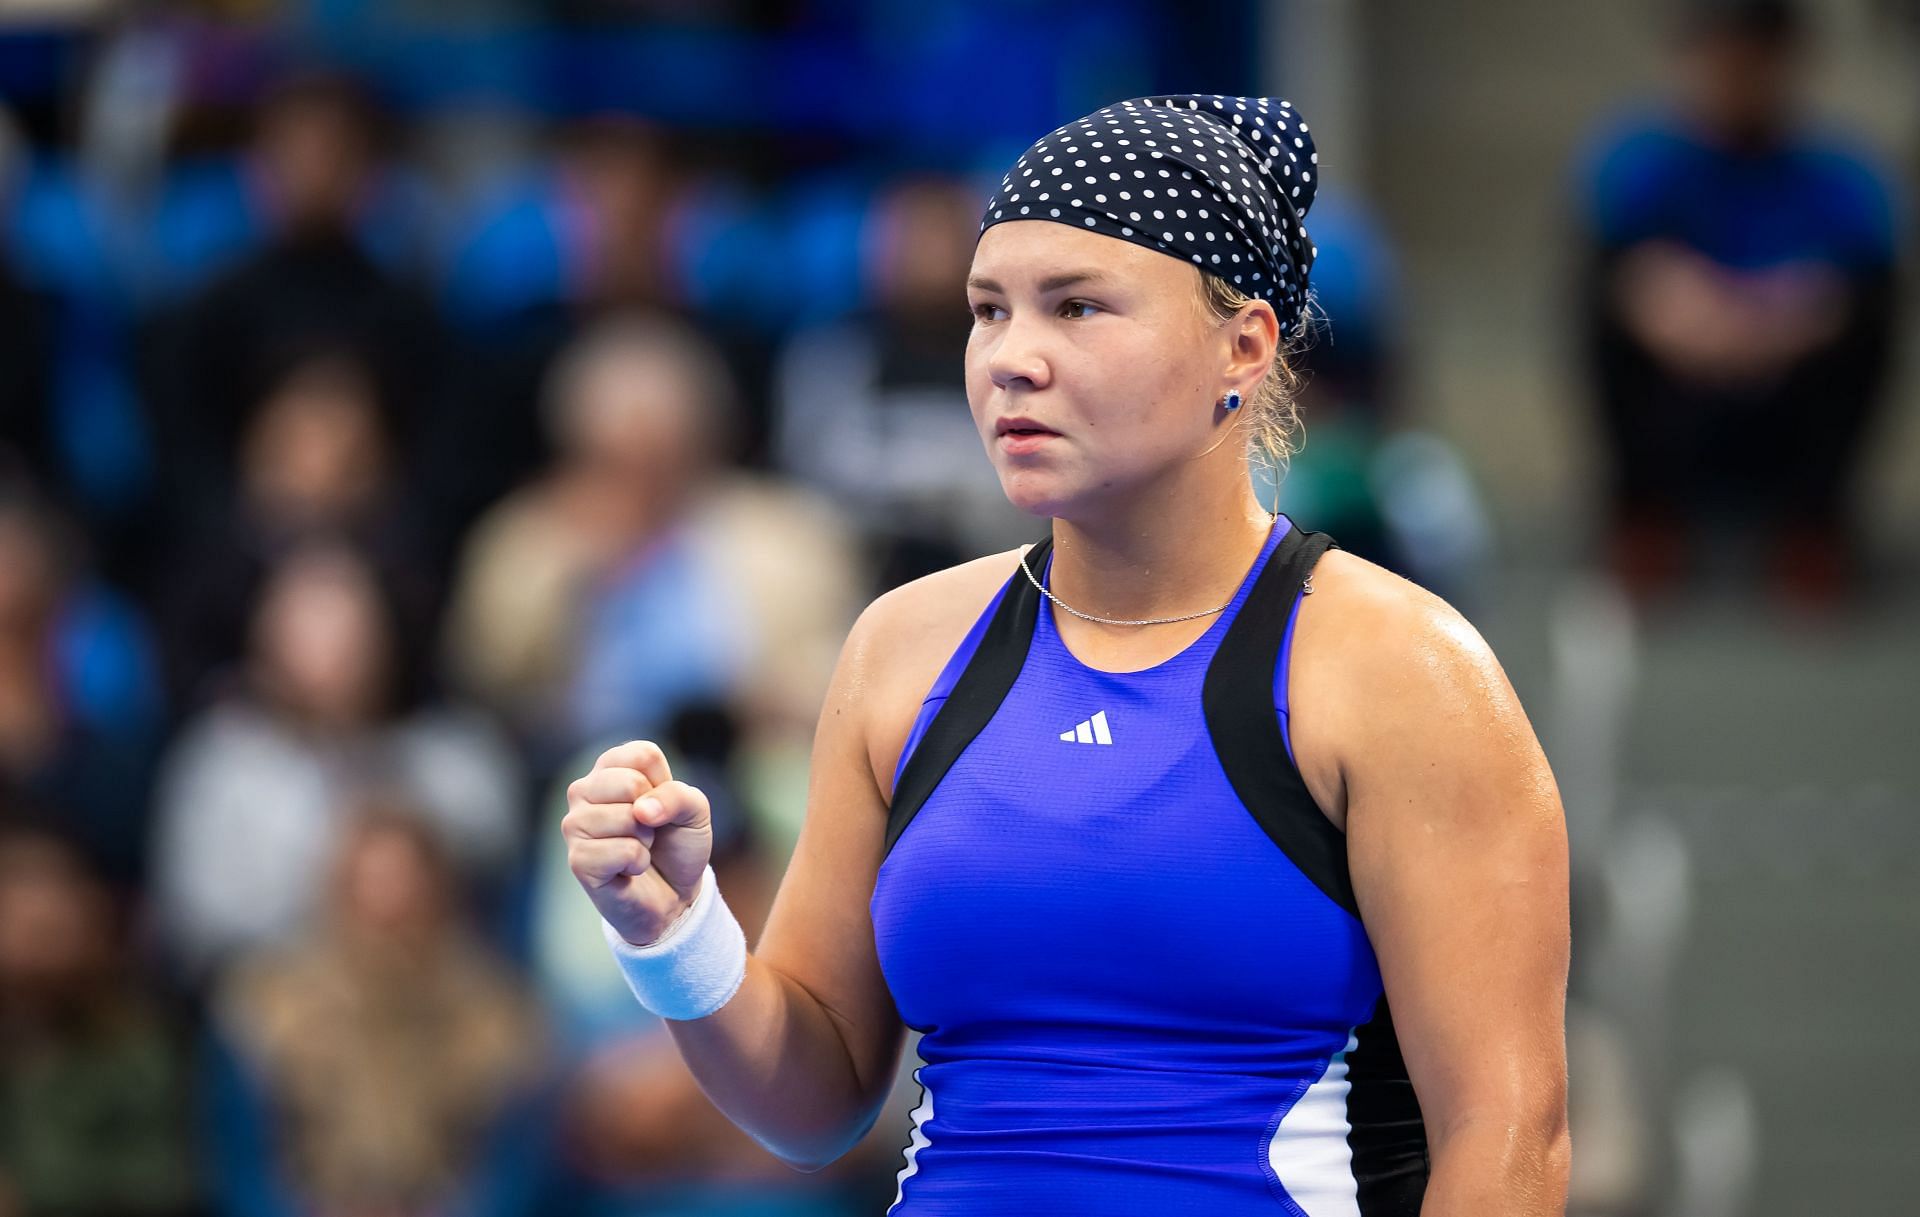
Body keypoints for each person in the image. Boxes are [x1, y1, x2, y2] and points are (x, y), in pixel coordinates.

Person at [564, 95, 1570, 1214]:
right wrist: (676, 929)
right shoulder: (903, 649)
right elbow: (816, 1095)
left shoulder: (1400, 672)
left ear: (1242, 345)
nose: (1012, 360)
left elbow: (1508, 1133)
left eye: (1077, 307)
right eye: (988, 311)